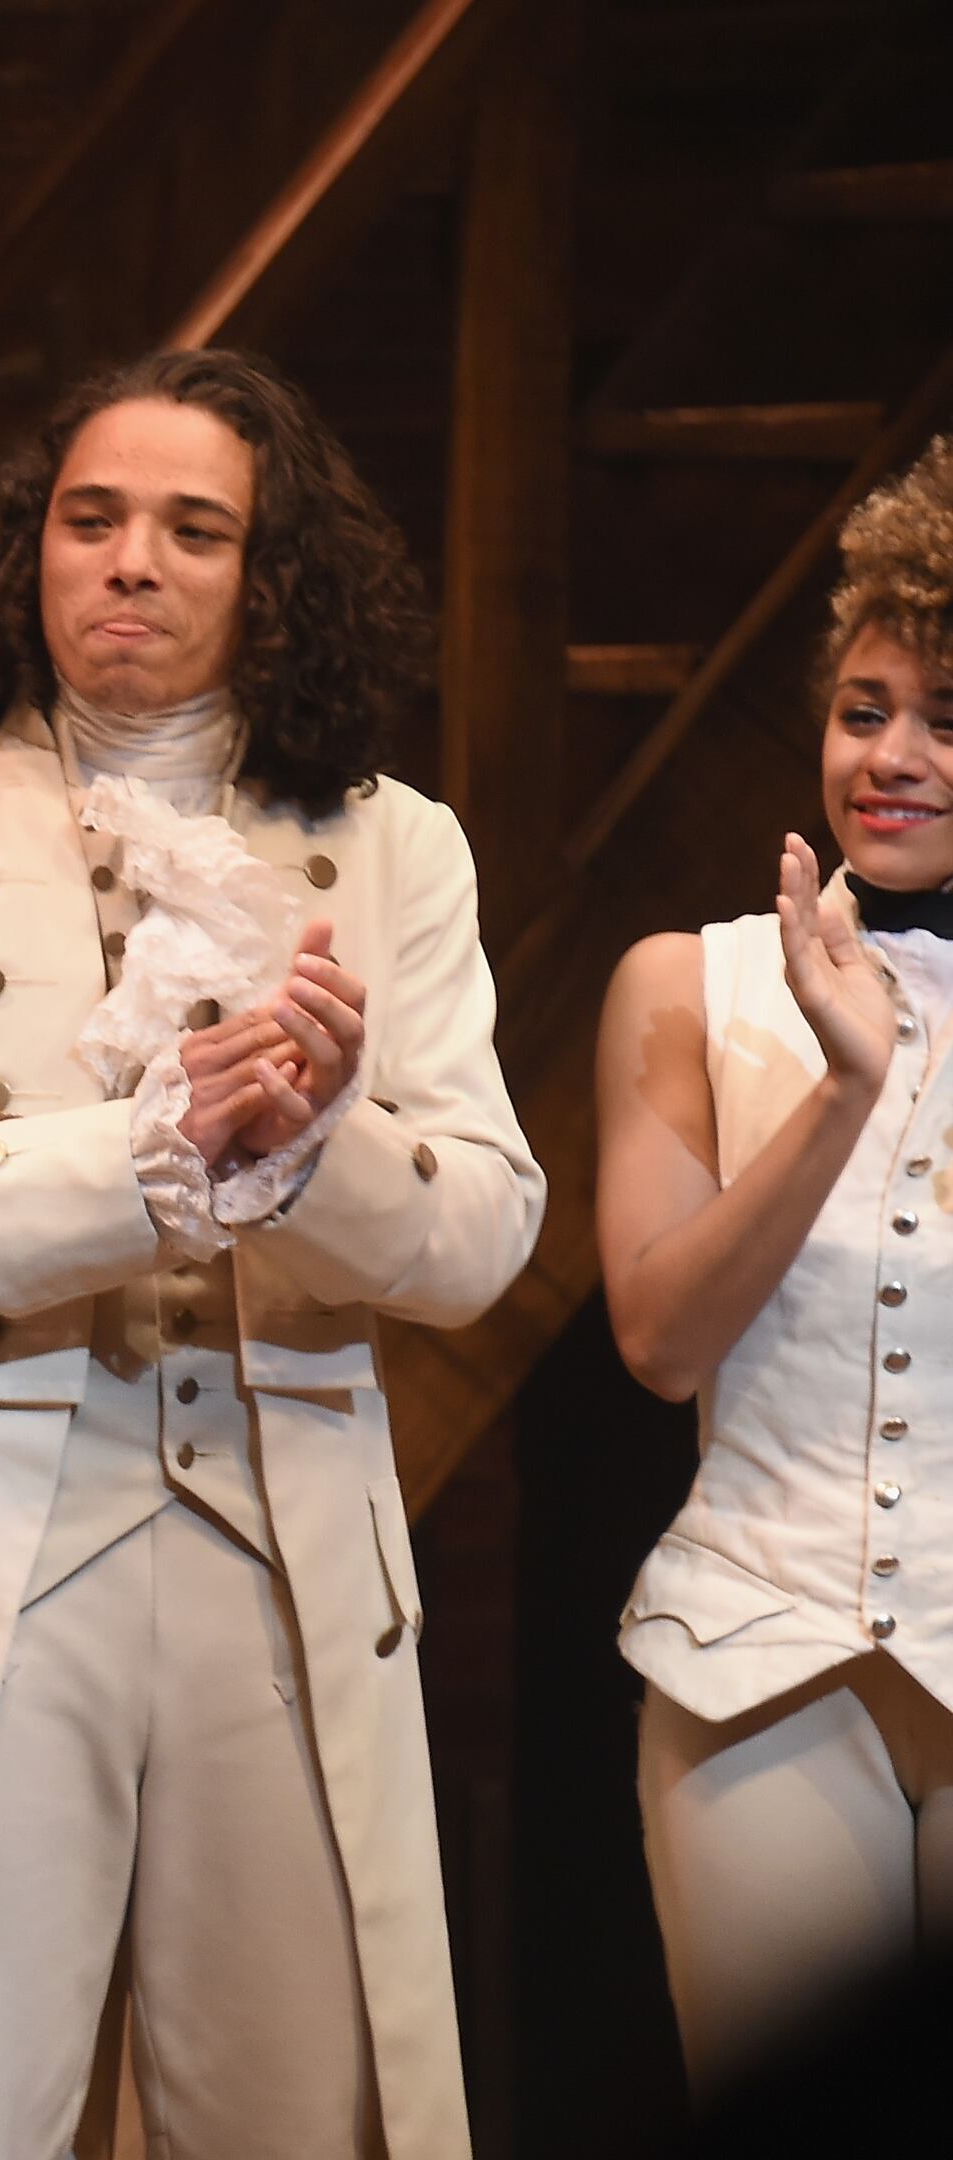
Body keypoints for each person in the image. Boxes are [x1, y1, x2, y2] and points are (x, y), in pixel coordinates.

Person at [0, 347, 540, 2160]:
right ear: (31, 552)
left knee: (288, 2112)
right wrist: (132, 1161)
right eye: (91, 519)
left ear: (271, 574)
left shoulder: (394, 853)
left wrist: (319, 1149)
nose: (132, 563)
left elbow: (484, 1229)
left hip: (277, 1553)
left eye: (194, 528)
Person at [597, 433, 953, 2095]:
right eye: (867, 707)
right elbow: (661, 1337)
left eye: (948, 718)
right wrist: (845, 1090)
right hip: (755, 1661)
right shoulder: (688, 983)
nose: (897, 756)